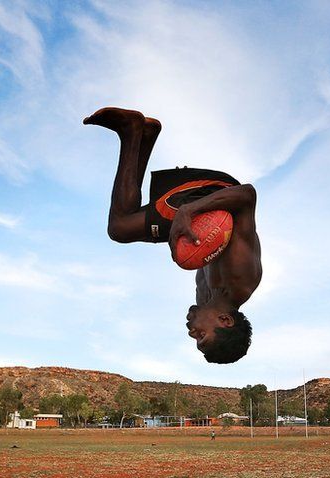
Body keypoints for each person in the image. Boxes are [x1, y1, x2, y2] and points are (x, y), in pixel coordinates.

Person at [84, 107, 262, 363]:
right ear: (225, 320)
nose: (191, 332)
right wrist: (189, 210)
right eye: (201, 337)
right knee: (120, 228)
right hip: (217, 196)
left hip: (203, 209)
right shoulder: (242, 277)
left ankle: (142, 134)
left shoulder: (205, 297)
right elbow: (247, 195)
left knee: (125, 226)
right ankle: (132, 131)